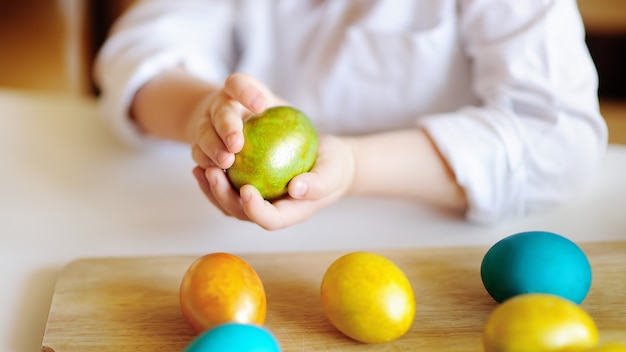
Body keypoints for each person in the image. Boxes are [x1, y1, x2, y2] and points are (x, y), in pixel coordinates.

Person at [93, 0, 607, 231]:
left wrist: (357, 167)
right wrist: (201, 114)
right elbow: (138, 54)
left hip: (434, 233)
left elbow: (560, 139)